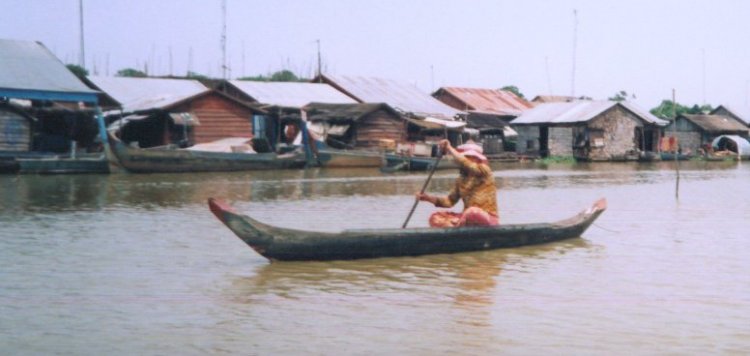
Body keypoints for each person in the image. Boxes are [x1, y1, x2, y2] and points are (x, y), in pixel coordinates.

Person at [416, 139, 499, 228]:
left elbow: (467, 164)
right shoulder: (461, 179)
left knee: (472, 212)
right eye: (465, 157)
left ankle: (456, 226)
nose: (462, 162)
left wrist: (449, 148)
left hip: (487, 218)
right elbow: (449, 201)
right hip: (465, 218)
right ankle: (456, 228)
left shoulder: (484, 170)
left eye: (468, 158)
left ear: (476, 159)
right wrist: (427, 198)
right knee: (435, 217)